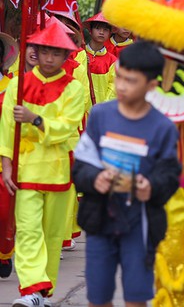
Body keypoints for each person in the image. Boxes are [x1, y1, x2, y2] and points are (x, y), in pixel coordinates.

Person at [72, 41, 181, 307]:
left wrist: (151, 187)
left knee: (136, 296)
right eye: (119, 77)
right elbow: (80, 165)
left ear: (152, 86)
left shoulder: (163, 127)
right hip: (100, 220)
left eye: (130, 81)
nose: (121, 86)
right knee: (97, 297)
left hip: (139, 225)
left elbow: (170, 174)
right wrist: (94, 177)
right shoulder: (100, 116)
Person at [0, 21, 85, 306]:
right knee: (27, 229)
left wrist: (35, 120)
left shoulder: (73, 89)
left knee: (51, 234)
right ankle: (30, 289)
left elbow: (66, 126)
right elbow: (6, 127)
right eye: (44, 51)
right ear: (34, 51)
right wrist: (7, 164)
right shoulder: (18, 85)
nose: (49, 58)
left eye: (56, 53)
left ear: (65, 56)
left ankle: (43, 293)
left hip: (59, 169)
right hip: (25, 169)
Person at [84, 13, 118, 106]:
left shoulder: (112, 60)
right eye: (98, 28)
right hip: (80, 108)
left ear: (110, 33)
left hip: (99, 109)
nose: (101, 32)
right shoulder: (80, 54)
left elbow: (113, 86)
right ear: (90, 31)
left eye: (105, 29)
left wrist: (104, 106)